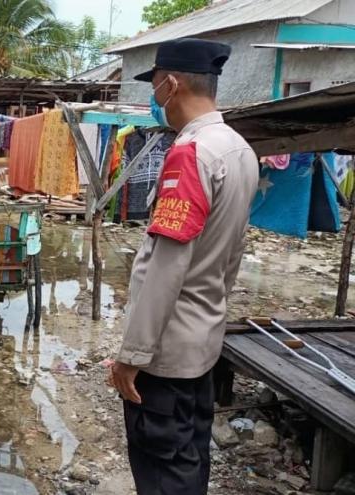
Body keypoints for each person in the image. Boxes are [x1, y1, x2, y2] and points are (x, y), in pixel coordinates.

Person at [106, 38, 259, 494]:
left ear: (171, 85)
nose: (154, 99)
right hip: (203, 341)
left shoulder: (189, 155)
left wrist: (131, 356)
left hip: (166, 356)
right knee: (188, 461)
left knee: (163, 472)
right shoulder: (239, 150)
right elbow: (230, 255)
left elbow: (165, 268)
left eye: (154, 86)